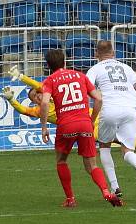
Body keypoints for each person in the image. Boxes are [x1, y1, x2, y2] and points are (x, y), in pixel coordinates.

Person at [38, 49, 122, 208]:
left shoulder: (50, 80)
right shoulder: (80, 76)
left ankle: (70, 199)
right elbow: (98, 98)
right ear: (64, 61)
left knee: (61, 160)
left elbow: (44, 102)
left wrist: (44, 127)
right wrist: (91, 120)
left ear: (48, 65)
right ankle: (105, 191)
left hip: (66, 125)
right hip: (84, 124)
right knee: (92, 165)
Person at [2, 87, 136, 153]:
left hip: (91, 115)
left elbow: (40, 85)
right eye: (34, 97)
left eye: (38, 93)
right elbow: (22, 110)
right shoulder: (38, 111)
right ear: (34, 101)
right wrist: (11, 100)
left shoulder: (53, 97)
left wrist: (22, 77)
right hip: (85, 123)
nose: (38, 96)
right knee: (116, 138)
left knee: (114, 132)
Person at [85, 41, 136, 198]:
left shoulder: (94, 69)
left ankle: (115, 187)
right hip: (129, 110)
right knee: (128, 150)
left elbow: (88, 90)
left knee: (104, 146)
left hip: (109, 109)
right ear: (113, 53)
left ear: (96, 54)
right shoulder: (126, 68)